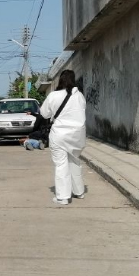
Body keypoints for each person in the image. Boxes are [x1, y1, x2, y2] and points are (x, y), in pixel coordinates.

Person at [39, 69, 87, 205]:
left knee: (61, 165)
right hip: (77, 135)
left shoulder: (53, 96)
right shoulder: (79, 96)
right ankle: (79, 192)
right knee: (75, 162)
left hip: (59, 134)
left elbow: (44, 114)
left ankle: (63, 197)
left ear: (60, 80)